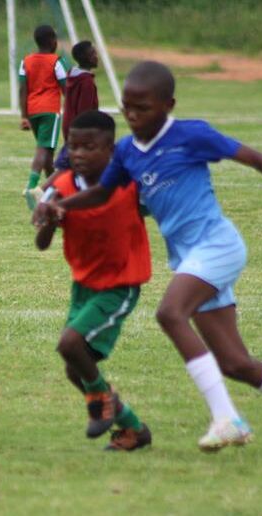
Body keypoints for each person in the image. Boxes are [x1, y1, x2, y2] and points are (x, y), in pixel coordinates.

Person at [36, 61, 262, 456]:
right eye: (127, 108)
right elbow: (102, 194)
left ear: (168, 105)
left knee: (170, 313)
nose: (133, 117)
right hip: (189, 259)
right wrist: (60, 207)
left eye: (143, 108)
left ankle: (227, 420)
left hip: (218, 246)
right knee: (236, 364)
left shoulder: (191, 135)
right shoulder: (126, 152)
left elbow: (253, 157)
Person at [35, 110, 152, 451]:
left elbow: (160, 206)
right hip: (83, 286)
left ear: (110, 149)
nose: (79, 154)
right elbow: (41, 244)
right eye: (73, 146)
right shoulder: (61, 186)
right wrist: (50, 217)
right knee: (76, 370)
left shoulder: (130, 183)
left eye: (89, 147)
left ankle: (100, 402)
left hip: (120, 284)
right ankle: (133, 428)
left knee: (69, 344)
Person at [19, 25, 67, 210]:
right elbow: (65, 88)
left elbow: (23, 89)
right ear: (52, 41)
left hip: (32, 111)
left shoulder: (26, 61)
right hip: (50, 111)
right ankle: (31, 187)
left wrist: (24, 116)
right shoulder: (56, 62)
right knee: (43, 149)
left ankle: (52, 190)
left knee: (47, 150)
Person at [53, 41, 100, 173]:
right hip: (80, 129)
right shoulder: (86, 82)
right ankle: (44, 191)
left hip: (70, 125)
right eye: (92, 54)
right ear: (85, 58)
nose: (96, 56)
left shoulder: (73, 77)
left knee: (70, 167)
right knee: (67, 167)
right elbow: (84, 111)